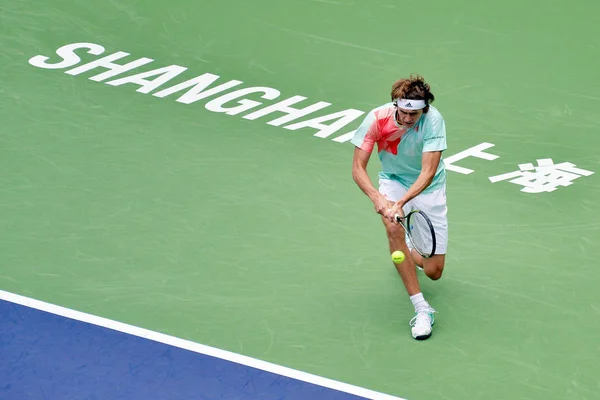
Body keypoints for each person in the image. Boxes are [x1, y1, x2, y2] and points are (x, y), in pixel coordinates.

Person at [350, 75, 448, 340]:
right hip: (393, 181)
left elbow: (428, 172)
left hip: (429, 187)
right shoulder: (377, 118)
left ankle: (408, 243)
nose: (407, 119)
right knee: (392, 224)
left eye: (414, 114)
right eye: (404, 112)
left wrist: (402, 203)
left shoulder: (433, 120)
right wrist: (377, 198)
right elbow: (358, 167)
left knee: (434, 272)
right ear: (395, 105)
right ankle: (422, 308)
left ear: (424, 110)